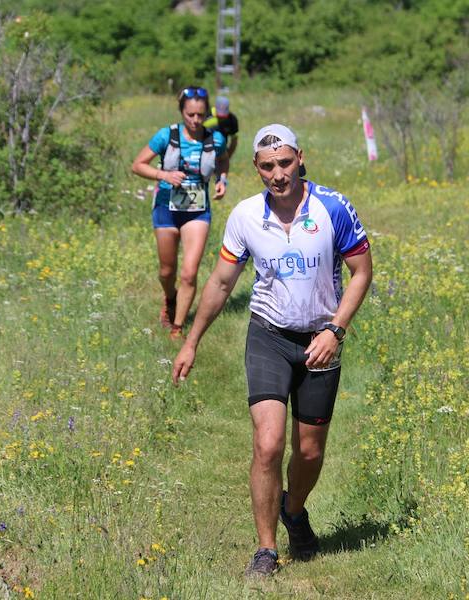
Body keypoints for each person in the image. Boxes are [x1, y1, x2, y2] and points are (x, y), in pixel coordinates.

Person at [171, 124, 372, 576]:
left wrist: (335, 331)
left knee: (309, 453)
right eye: (267, 166)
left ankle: (294, 510)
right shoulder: (245, 216)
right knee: (267, 444)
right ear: (256, 169)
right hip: (269, 335)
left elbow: (362, 272)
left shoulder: (333, 207)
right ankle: (266, 549)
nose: (278, 174)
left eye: (285, 163)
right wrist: (191, 341)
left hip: (322, 341)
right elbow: (222, 282)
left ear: (300, 157)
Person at [131, 86, 230, 340]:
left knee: (189, 272)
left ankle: (177, 327)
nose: (196, 120)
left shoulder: (215, 139)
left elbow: (222, 159)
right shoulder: (166, 135)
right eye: (190, 115)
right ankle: (170, 297)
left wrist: (222, 179)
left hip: (197, 211)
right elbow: (138, 165)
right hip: (166, 207)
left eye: (200, 115)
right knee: (167, 271)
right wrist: (164, 174)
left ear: (206, 112)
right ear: (182, 112)